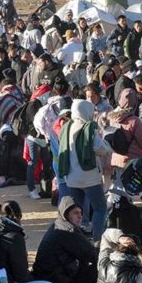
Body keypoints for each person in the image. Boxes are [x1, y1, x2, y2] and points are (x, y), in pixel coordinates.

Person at [58, 99, 112, 241]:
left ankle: (77, 238)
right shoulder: (89, 128)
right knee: (100, 208)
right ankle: (97, 239)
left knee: (77, 210)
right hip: (89, 178)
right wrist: (107, 145)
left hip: (71, 177)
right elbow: (100, 149)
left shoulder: (67, 127)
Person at [33, 196, 98, 283]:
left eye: (81, 213)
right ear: (66, 214)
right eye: (75, 213)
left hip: (52, 279)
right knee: (102, 263)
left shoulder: (58, 224)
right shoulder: (67, 231)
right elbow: (92, 254)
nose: (80, 217)